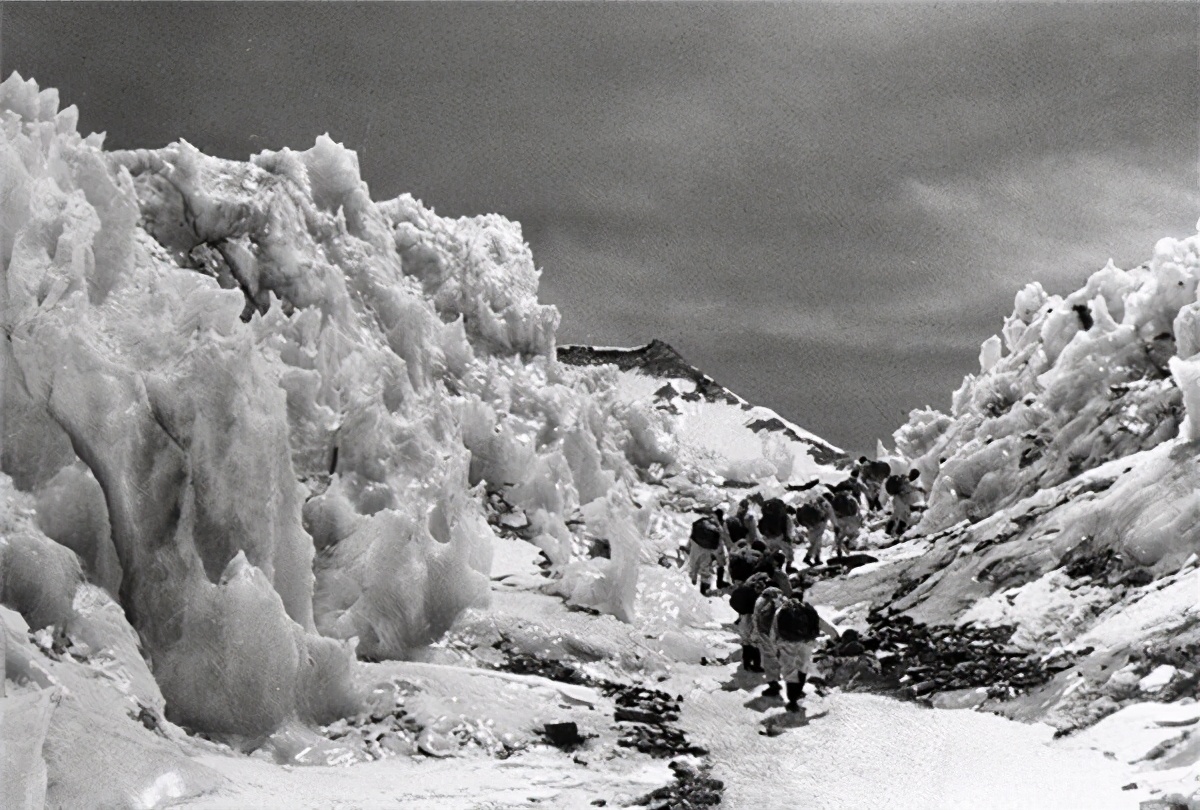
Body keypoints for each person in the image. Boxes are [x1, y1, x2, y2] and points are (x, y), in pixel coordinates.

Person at [772, 586, 840, 711]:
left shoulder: (781, 611)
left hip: (787, 643)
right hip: (806, 643)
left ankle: (792, 700)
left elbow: (774, 629)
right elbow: (821, 623)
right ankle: (797, 695)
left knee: (790, 671)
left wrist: (773, 645)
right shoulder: (808, 611)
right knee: (802, 669)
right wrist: (835, 635)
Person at [687, 512, 723, 595]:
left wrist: (689, 544)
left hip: (696, 545)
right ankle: (704, 589)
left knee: (693, 564)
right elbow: (721, 535)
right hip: (707, 549)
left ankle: (692, 581)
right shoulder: (716, 527)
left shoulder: (701, 522)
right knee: (705, 567)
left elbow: (693, 529)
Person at [885, 469, 927, 538]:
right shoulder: (905, 481)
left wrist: (919, 489)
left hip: (900, 500)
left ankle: (891, 531)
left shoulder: (903, 480)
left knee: (899, 515)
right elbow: (908, 488)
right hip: (899, 500)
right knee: (901, 516)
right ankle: (893, 532)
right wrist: (919, 489)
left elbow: (908, 488)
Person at [796, 500, 832, 567]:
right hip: (818, 526)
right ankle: (808, 558)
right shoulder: (821, 507)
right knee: (816, 543)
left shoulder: (808, 509)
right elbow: (824, 516)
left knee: (817, 543)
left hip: (811, 527)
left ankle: (816, 559)